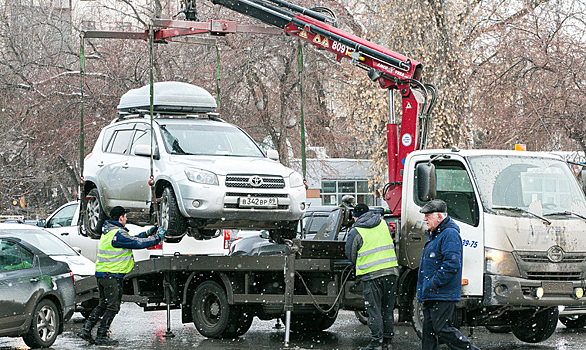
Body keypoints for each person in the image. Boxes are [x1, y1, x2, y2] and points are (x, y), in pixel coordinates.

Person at [78, 206, 165, 345]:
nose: (126, 219)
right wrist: (157, 238)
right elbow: (136, 243)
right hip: (112, 275)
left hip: (102, 274)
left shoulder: (110, 232)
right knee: (113, 307)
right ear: (120, 218)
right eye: (125, 216)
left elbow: (131, 239)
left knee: (103, 304)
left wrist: (147, 233)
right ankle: (101, 336)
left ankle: (86, 330)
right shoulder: (118, 234)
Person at [417, 199, 480, 350]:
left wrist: (434, 283)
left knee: (441, 329)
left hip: (441, 293)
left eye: (428, 215)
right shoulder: (436, 234)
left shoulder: (449, 234)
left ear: (439, 217)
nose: (424, 219)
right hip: (432, 293)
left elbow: (452, 265)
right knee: (429, 333)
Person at [345, 203, 398, 350]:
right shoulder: (382, 223)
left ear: (355, 217)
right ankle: (387, 341)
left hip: (372, 275)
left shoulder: (356, 231)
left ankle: (376, 343)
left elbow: (350, 254)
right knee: (387, 310)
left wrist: (357, 264)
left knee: (374, 310)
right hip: (391, 272)